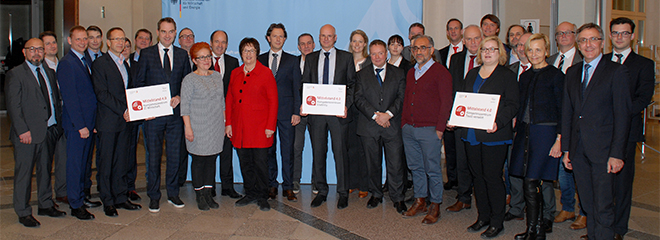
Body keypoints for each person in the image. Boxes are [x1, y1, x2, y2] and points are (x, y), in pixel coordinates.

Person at [562, 23, 632, 240]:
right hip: (578, 150)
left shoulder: (616, 72)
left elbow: (623, 116)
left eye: (593, 39)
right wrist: (566, 150)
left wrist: (617, 153)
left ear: (602, 42)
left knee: (603, 205)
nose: (588, 44)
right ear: (578, 44)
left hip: (604, 151)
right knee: (588, 203)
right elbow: (568, 113)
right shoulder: (572, 72)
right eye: (583, 40)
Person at [456, 36, 519, 238]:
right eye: (484, 49)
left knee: (492, 177)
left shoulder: (507, 75)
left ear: (500, 52)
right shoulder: (472, 73)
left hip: (495, 135)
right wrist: (455, 118)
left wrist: (498, 122)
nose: (488, 52)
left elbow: (513, 105)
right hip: (472, 134)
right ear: (480, 53)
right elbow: (464, 101)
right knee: (477, 177)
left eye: (492, 49)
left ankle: (497, 220)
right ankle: (482, 216)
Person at [6, 37, 66, 227]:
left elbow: (53, 99)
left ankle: (45, 203)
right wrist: (22, 130)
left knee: (45, 170)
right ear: (24, 52)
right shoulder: (16, 74)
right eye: (32, 49)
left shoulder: (48, 71)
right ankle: (23, 211)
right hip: (27, 134)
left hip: (49, 130)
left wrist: (57, 125)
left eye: (40, 49)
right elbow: (13, 106)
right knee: (24, 173)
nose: (37, 53)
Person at [135, 17, 192, 212]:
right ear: (158, 32)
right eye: (164, 31)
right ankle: (153, 195)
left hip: (176, 116)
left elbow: (187, 84)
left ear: (175, 33)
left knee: (175, 156)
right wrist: (144, 111)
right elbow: (139, 84)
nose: (167, 35)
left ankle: (173, 193)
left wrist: (179, 96)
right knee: (153, 157)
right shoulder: (147, 54)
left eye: (171, 32)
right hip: (153, 117)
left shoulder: (183, 56)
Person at [510, 33, 564, 240]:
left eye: (538, 50)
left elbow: (562, 110)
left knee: (533, 181)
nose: (533, 54)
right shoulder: (525, 76)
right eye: (530, 50)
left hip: (546, 133)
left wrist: (559, 139)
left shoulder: (556, 76)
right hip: (525, 132)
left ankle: (535, 230)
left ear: (547, 52)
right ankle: (535, 229)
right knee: (527, 180)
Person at [605, 17, 655, 240]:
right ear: (610, 35)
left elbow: (643, 97)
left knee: (622, 183)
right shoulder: (601, 61)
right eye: (615, 33)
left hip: (626, 131)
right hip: (600, 131)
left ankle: (617, 229)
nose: (619, 37)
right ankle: (600, 226)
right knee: (601, 182)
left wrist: (618, 114)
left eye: (624, 33)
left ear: (632, 36)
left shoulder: (644, 64)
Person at [301, 24, 356, 209]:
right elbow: (305, 83)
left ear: (335, 38)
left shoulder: (346, 58)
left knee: (340, 153)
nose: (326, 39)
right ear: (319, 37)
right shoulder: (311, 58)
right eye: (323, 36)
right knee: (318, 153)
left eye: (329, 36)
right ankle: (322, 191)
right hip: (316, 115)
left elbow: (352, 84)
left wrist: (346, 105)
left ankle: (342, 192)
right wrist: (304, 103)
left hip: (337, 114)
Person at [401, 35, 453, 225]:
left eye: (423, 48)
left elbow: (446, 102)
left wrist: (440, 128)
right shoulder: (410, 72)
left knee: (432, 169)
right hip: (409, 129)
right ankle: (420, 200)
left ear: (431, 50)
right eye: (415, 48)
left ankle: (435, 205)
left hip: (430, 130)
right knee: (416, 167)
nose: (419, 51)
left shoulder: (441, 72)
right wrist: (404, 123)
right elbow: (407, 99)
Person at [91, 27, 142, 217]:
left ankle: (121, 197)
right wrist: (124, 110)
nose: (120, 43)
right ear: (108, 42)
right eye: (116, 39)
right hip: (108, 122)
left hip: (125, 123)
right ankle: (108, 200)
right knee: (106, 163)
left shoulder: (125, 63)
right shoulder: (100, 64)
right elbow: (102, 93)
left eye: (123, 39)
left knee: (122, 161)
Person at [354, 39, 407, 213]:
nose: (377, 57)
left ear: (386, 53)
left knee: (395, 164)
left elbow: (401, 97)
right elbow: (358, 99)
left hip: (391, 125)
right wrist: (376, 116)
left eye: (380, 53)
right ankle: (376, 194)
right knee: (373, 163)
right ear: (370, 55)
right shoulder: (362, 74)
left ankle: (398, 197)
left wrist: (388, 115)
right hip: (369, 125)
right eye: (374, 53)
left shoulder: (399, 73)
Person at [226, 37, 278, 212]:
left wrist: (270, 126)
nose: (248, 54)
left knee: (261, 164)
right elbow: (230, 100)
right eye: (245, 50)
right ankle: (250, 193)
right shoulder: (235, 73)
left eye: (251, 51)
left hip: (260, 129)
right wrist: (229, 124)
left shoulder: (266, 73)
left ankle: (262, 196)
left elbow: (273, 101)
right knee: (245, 163)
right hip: (240, 128)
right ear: (241, 53)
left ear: (257, 53)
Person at [58, 25, 101, 220]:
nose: (83, 42)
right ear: (70, 40)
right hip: (77, 125)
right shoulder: (67, 63)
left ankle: (82, 196)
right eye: (79, 39)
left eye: (85, 39)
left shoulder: (86, 60)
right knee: (75, 165)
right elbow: (70, 98)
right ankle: (75, 203)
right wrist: (81, 125)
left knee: (84, 164)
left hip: (88, 123)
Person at [548, 21, 587, 231]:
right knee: (563, 170)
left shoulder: (584, 60)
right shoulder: (551, 60)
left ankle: (584, 212)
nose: (563, 36)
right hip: (555, 121)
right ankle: (568, 207)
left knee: (578, 168)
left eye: (568, 33)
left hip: (576, 121)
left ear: (575, 36)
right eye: (559, 33)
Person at [258, 23, 301, 202]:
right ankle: (271, 184)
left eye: (281, 36)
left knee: (287, 151)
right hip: (265, 114)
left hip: (286, 113)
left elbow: (297, 87)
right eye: (274, 36)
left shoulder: (292, 60)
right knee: (269, 150)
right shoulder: (259, 60)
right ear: (268, 38)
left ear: (284, 39)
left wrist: (296, 111)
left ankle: (288, 186)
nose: (278, 39)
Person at [181, 42, 224, 211]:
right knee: (199, 161)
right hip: (197, 127)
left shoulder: (216, 76)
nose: (206, 60)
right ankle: (199, 195)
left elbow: (222, 103)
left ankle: (208, 193)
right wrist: (188, 127)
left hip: (215, 126)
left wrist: (225, 123)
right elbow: (185, 106)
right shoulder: (189, 79)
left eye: (208, 56)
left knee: (212, 160)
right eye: (201, 57)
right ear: (194, 60)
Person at [444, 24, 481, 213]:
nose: (473, 42)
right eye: (469, 39)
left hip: (482, 119)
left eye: (477, 38)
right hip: (460, 119)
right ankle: (464, 197)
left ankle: (484, 199)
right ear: (464, 41)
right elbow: (450, 89)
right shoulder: (456, 59)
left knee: (481, 162)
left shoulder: (489, 58)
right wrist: (451, 116)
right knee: (462, 159)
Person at [209, 30, 242, 199]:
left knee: (227, 151)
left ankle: (228, 186)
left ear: (227, 45)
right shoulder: (203, 61)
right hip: (208, 116)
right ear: (211, 43)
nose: (220, 45)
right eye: (217, 41)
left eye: (223, 42)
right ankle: (210, 186)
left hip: (228, 115)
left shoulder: (233, 62)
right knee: (209, 152)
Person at [504, 31, 532, 223]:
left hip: (533, 128)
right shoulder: (510, 70)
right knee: (513, 168)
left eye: (525, 45)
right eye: (518, 46)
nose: (521, 49)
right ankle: (516, 207)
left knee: (534, 172)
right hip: (511, 127)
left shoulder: (542, 70)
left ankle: (542, 212)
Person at [39, 31, 68, 205]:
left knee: (63, 158)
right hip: (48, 122)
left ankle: (62, 191)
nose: (52, 46)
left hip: (65, 118)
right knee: (45, 162)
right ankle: (45, 197)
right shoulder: (40, 67)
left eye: (54, 42)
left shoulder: (64, 63)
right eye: (47, 44)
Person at [126, 28, 153, 202]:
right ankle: (129, 186)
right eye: (140, 38)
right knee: (130, 149)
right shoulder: (126, 60)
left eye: (147, 39)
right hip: (132, 111)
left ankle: (151, 181)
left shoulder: (152, 57)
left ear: (151, 42)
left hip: (150, 111)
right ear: (135, 40)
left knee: (151, 149)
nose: (143, 41)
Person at [439, 18, 464, 191]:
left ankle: (464, 183)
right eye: (450, 29)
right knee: (449, 147)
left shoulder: (469, 53)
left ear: (461, 31)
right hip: (446, 106)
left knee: (462, 148)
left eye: (456, 28)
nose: (453, 31)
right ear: (447, 33)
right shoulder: (441, 53)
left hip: (463, 107)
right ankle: (452, 179)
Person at [347, 29, 370, 198]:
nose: (357, 44)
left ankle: (364, 184)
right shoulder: (345, 61)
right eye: (354, 41)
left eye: (360, 41)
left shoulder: (370, 62)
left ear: (365, 44)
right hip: (348, 110)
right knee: (350, 148)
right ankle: (352, 183)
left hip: (364, 111)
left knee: (363, 149)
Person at [293, 33, 316, 194]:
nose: (306, 46)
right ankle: (295, 181)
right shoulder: (292, 63)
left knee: (318, 147)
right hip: (298, 113)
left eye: (309, 43)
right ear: (298, 47)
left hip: (317, 113)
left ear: (314, 45)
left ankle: (317, 181)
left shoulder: (321, 62)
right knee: (296, 147)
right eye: (302, 44)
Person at [176, 27, 194, 188]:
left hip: (198, 113)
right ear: (178, 40)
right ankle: (179, 180)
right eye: (184, 36)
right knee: (179, 149)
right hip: (178, 111)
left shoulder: (201, 60)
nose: (188, 39)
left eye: (191, 36)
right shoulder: (174, 58)